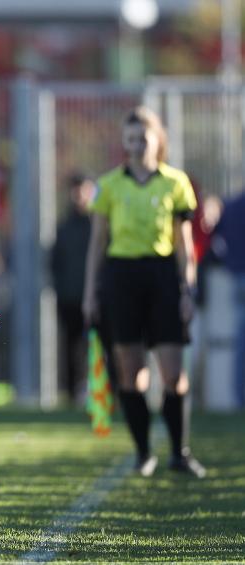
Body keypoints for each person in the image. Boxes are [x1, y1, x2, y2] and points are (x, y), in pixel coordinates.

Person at [82, 106, 206, 478]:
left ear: (157, 140)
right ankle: (143, 453)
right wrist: (91, 292)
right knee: (131, 375)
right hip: (121, 278)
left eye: (143, 138)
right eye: (130, 139)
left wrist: (187, 288)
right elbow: (97, 243)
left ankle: (180, 454)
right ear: (125, 142)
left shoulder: (175, 182)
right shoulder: (109, 185)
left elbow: (184, 244)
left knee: (172, 374)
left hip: (162, 276)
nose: (136, 146)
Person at [50, 172, 97, 405]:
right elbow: (55, 262)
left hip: (96, 298)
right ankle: (72, 395)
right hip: (69, 297)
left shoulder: (98, 224)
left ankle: (103, 393)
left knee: (99, 346)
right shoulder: (65, 226)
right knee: (71, 348)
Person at [212, 190, 245, 409]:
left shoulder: (232, 205)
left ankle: (240, 395)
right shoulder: (234, 206)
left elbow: (216, 241)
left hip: (238, 277)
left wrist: (230, 262)